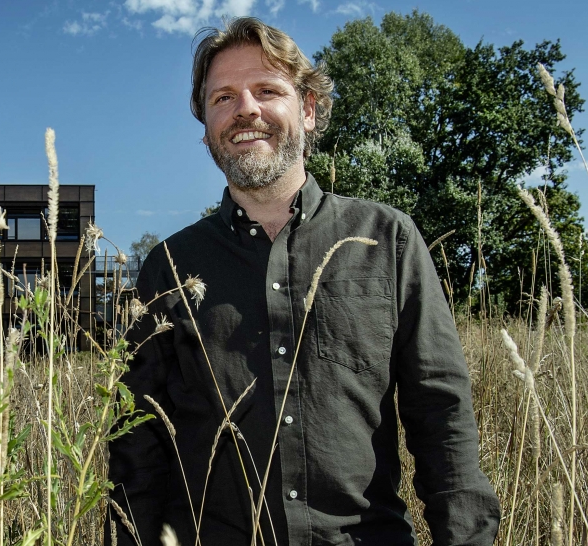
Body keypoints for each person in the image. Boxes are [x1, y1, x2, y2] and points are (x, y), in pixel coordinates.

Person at [107, 16, 500, 546]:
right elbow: (137, 450)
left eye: (267, 90)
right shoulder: (168, 268)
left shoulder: (389, 240)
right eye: (222, 98)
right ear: (206, 130)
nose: (245, 108)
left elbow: (442, 415)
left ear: (308, 109)